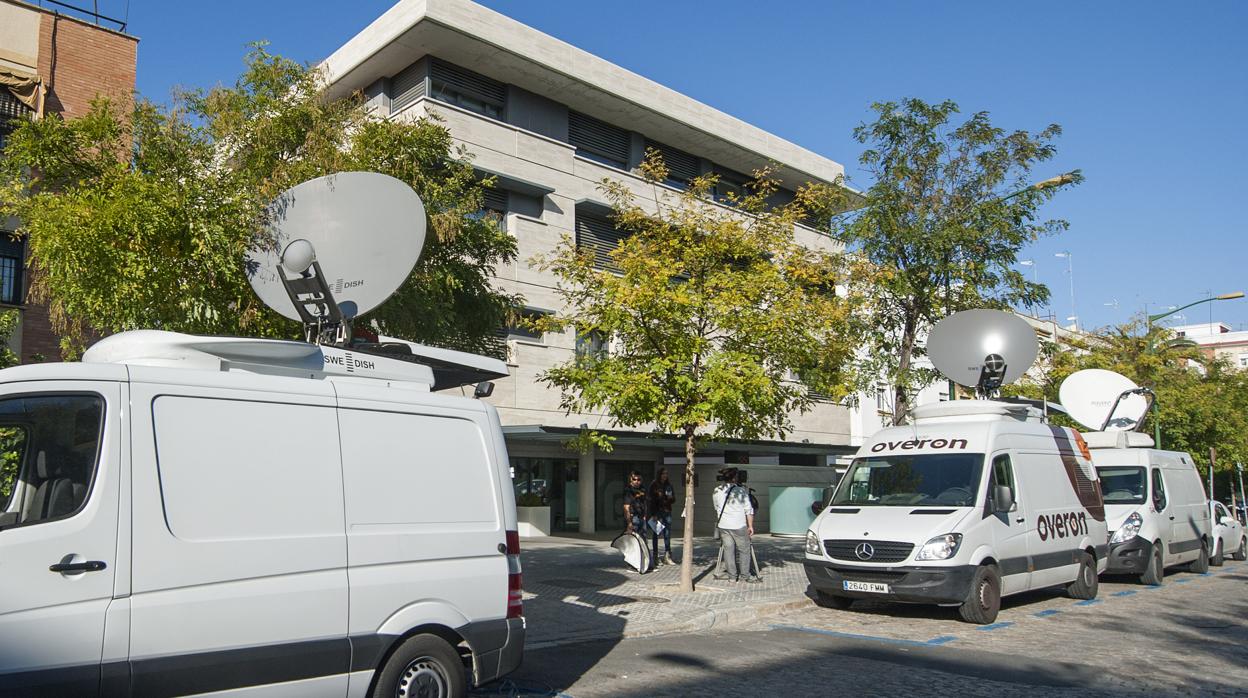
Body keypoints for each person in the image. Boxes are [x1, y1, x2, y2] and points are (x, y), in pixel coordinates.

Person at [712, 468, 760, 583]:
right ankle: (745, 575)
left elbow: (716, 507)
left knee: (728, 551)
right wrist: (750, 526)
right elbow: (749, 510)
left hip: (724, 525)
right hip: (738, 525)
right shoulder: (740, 491)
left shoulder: (717, 490)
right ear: (734, 478)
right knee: (744, 550)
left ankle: (732, 577)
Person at [648, 468, 675, 565]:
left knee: (667, 534)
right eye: (663, 474)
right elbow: (651, 500)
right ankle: (655, 556)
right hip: (658, 512)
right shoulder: (654, 485)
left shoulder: (669, 485)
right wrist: (654, 514)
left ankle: (667, 556)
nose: (665, 475)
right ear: (659, 474)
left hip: (667, 511)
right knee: (656, 534)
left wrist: (670, 498)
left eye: (666, 474)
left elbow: (673, 499)